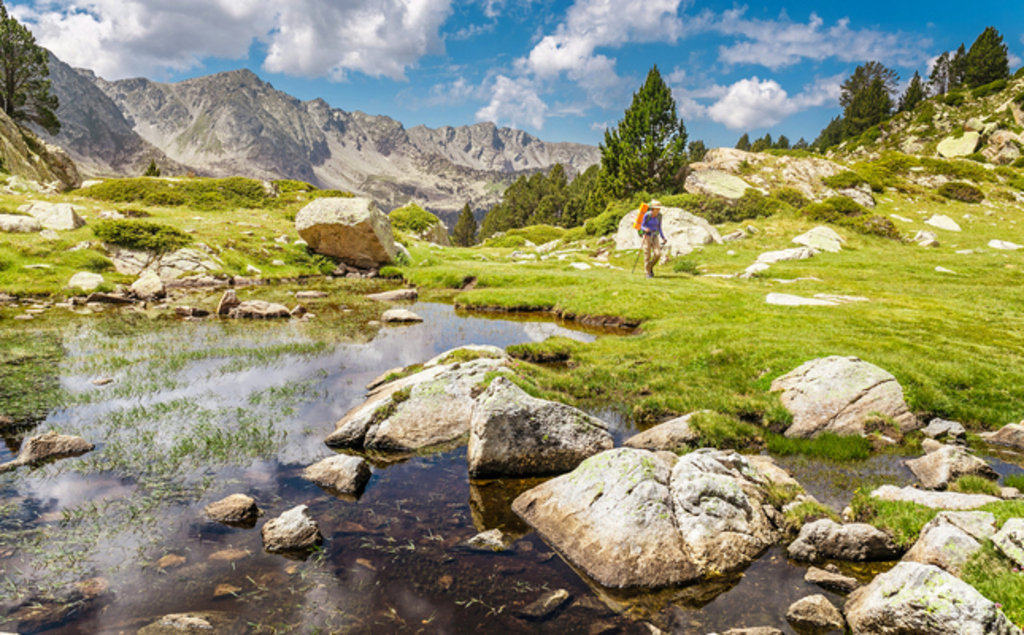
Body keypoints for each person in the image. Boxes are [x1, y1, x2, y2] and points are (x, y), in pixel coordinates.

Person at [641, 200, 666, 278]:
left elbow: (659, 227)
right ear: (653, 208)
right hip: (647, 236)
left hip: (655, 236)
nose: (658, 210)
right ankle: (647, 272)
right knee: (647, 254)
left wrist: (663, 237)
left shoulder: (659, 216)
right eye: (657, 208)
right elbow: (642, 226)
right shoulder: (647, 215)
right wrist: (645, 229)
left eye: (659, 209)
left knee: (658, 254)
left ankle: (650, 266)